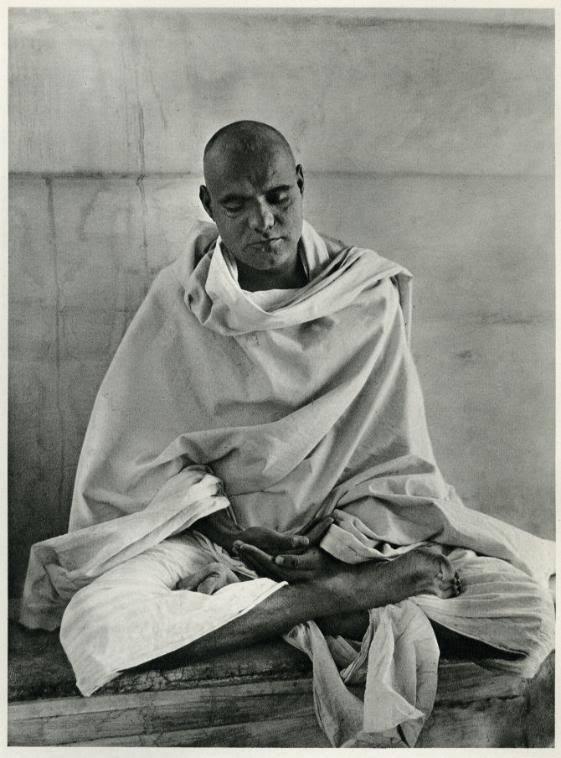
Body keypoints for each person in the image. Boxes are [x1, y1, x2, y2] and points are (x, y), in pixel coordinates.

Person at [19, 121, 554, 747]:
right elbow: (139, 464)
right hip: (214, 541)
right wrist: (231, 530)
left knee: (525, 613)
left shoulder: (363, 297)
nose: (265, 222)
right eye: (238, 206)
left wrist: (334, 549)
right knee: (97, 624)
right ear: (208, 206)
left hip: (349, 536)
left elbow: (390, 465)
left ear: (300, 185)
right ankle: (329, 601)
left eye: (278, 197)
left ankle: (309, 596)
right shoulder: (181, 300)